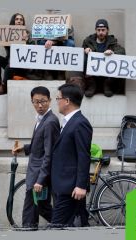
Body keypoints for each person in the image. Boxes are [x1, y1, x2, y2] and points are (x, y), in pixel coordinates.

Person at [12, 86, 60, 229]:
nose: (39, 105)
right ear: (32, 101)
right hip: (37, 173)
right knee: (42, 207)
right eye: (36, 102)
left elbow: (49, 153)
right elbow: (40, 145)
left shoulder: (50, 121)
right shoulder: (42, 119)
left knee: (30, 210)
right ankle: (66, 225)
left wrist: (40, 180)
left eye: (43, 101)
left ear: (50, 101)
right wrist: (25, 148)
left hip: (39, 175)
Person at [50, 83, 93, 227]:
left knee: (57, 227)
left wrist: (81, 185)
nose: (57, 102)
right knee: (77, 225)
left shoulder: (80, 123)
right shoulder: (69, 122)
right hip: (63, 186)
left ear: (67, 101)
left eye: (58, 98)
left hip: (71, 188)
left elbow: (83, 156)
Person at [0, 13, 34, 95]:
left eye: (21, 19)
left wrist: (26, 41)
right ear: (13, 21)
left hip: (21, 65)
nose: (19, 21)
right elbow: (6, 48)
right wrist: (7, 39)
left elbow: (33, 49)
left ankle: (4, 86)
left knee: (10, 65)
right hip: (10, 61)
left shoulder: (27, 33)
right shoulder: (7, 33)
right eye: (17, 19)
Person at [82, 19, 126, 97]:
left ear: (107, 30)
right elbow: (79, 52)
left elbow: (122, 51)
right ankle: (91, 85)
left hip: (107, 76)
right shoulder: (88, 41)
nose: (101, 32)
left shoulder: (112, 41)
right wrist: (85, 50)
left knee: (115, 57)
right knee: (84, 57)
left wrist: (113, 52)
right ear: (95, 30)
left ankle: (107, 85)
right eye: (98, 30)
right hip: (92, 76)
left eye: (103, 30)